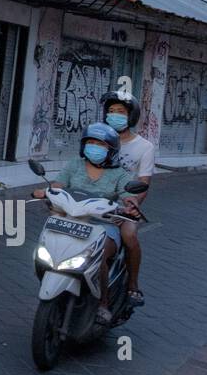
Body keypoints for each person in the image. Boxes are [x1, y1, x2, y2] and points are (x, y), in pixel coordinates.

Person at [33, 122, 140, 325]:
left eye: (100, 144)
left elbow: (128, 195)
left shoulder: (119, 173)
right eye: (91, 142)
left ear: (111, 150)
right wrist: (45, 192)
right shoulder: (74, 165)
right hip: (69, 221)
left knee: (97, 257)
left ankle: (103, 304)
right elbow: (58, 185)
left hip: (102, 226)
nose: (95, 147)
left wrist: (130, 204)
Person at [102, 91, 153, 308]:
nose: (114, 115)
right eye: (111, 112)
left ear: (131, 117)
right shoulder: (98, 138)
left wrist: (132, 204)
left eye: (120, 112)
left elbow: (144, 181)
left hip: (124, 206)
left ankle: (133, 285)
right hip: (94, 201)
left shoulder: (144, 147)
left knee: (129, 236)